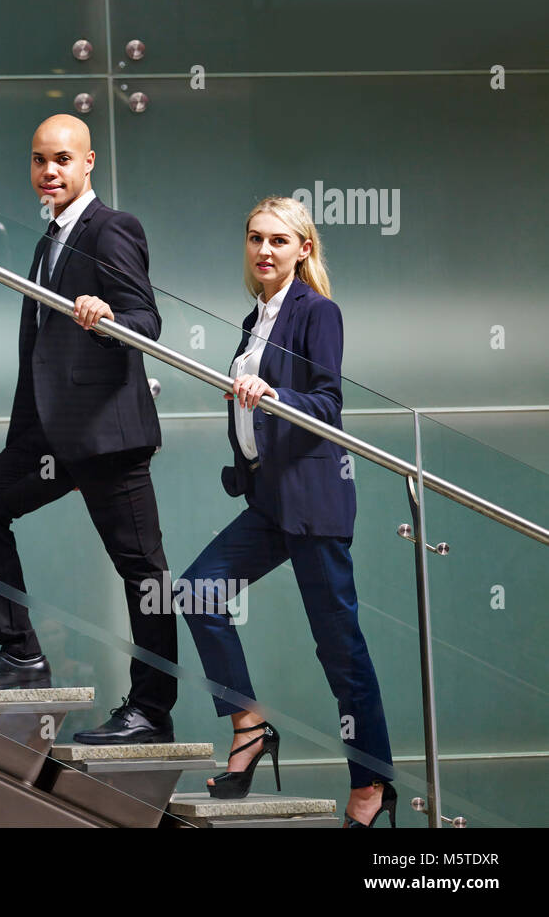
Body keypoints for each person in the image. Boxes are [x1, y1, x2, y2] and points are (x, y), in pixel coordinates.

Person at [0, 115, 178, 747]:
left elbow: (145, 318)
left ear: (88, 164)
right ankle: (20, 654)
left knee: (143, 574)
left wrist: (110, 314)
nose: (48, 171)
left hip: (107, 436)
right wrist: (21, 438)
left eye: (61, 159)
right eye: (38, 160)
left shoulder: (112, 228)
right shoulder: (48, 238)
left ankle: (151, 711)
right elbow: (38, 350)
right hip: (51, 435)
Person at [180, 195, 395, 828]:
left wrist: (274, 395)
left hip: (313, 504)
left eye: (278, 240)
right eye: (255, 238)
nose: (264, 250)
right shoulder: (257, 319)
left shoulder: (317, 312)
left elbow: (329, 405)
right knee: (197, 592)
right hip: (269, 501)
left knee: (341, 653)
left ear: (303, 249)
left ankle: (370, 783)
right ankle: (249, 727)